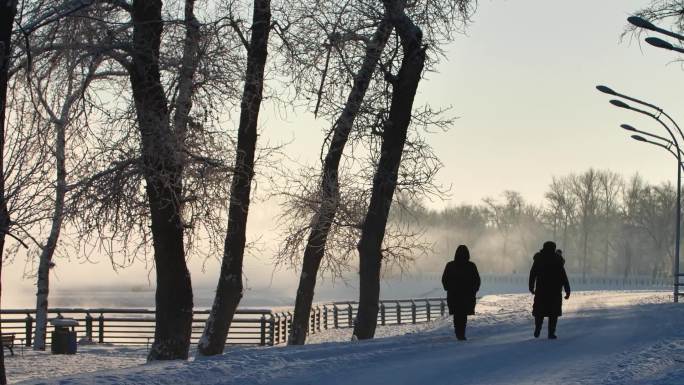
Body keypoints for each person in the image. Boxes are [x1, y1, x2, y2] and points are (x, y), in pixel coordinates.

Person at [529, 241, 571, 339]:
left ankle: (538, 328)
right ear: (554, 248)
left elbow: (532, 274)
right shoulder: (557, 260)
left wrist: (531, 287)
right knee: (553, 313)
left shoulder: (538, 259)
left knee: (539, 311)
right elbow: (563, 277)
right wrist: (567, 290)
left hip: (541, 290)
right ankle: (551, 333)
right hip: (555, 291)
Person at [442, 245, 481, 340]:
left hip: (454, 296)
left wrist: (449, 288)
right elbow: (477, 280)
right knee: (463, 316)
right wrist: (473, 291)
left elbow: (444, 280)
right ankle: (461, 333)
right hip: (467, 296)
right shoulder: (471, 266)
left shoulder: (450, 265)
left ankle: (458, 333)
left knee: (457, 315)